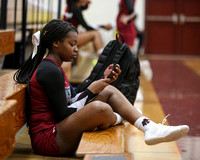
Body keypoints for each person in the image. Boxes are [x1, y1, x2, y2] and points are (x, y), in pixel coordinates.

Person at [13, 19, 189, 156]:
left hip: (61, 130)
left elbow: (70, 98)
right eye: (72, 44)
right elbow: (63, 114)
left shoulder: (54, 66)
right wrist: (91, 91)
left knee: (108, 90)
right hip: (50, 139)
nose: (76, 49)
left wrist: (100, 83)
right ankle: (123, 118)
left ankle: (149, 127)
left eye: (76, 44)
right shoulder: (49, 69)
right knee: (100, 108)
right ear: (56, 43)